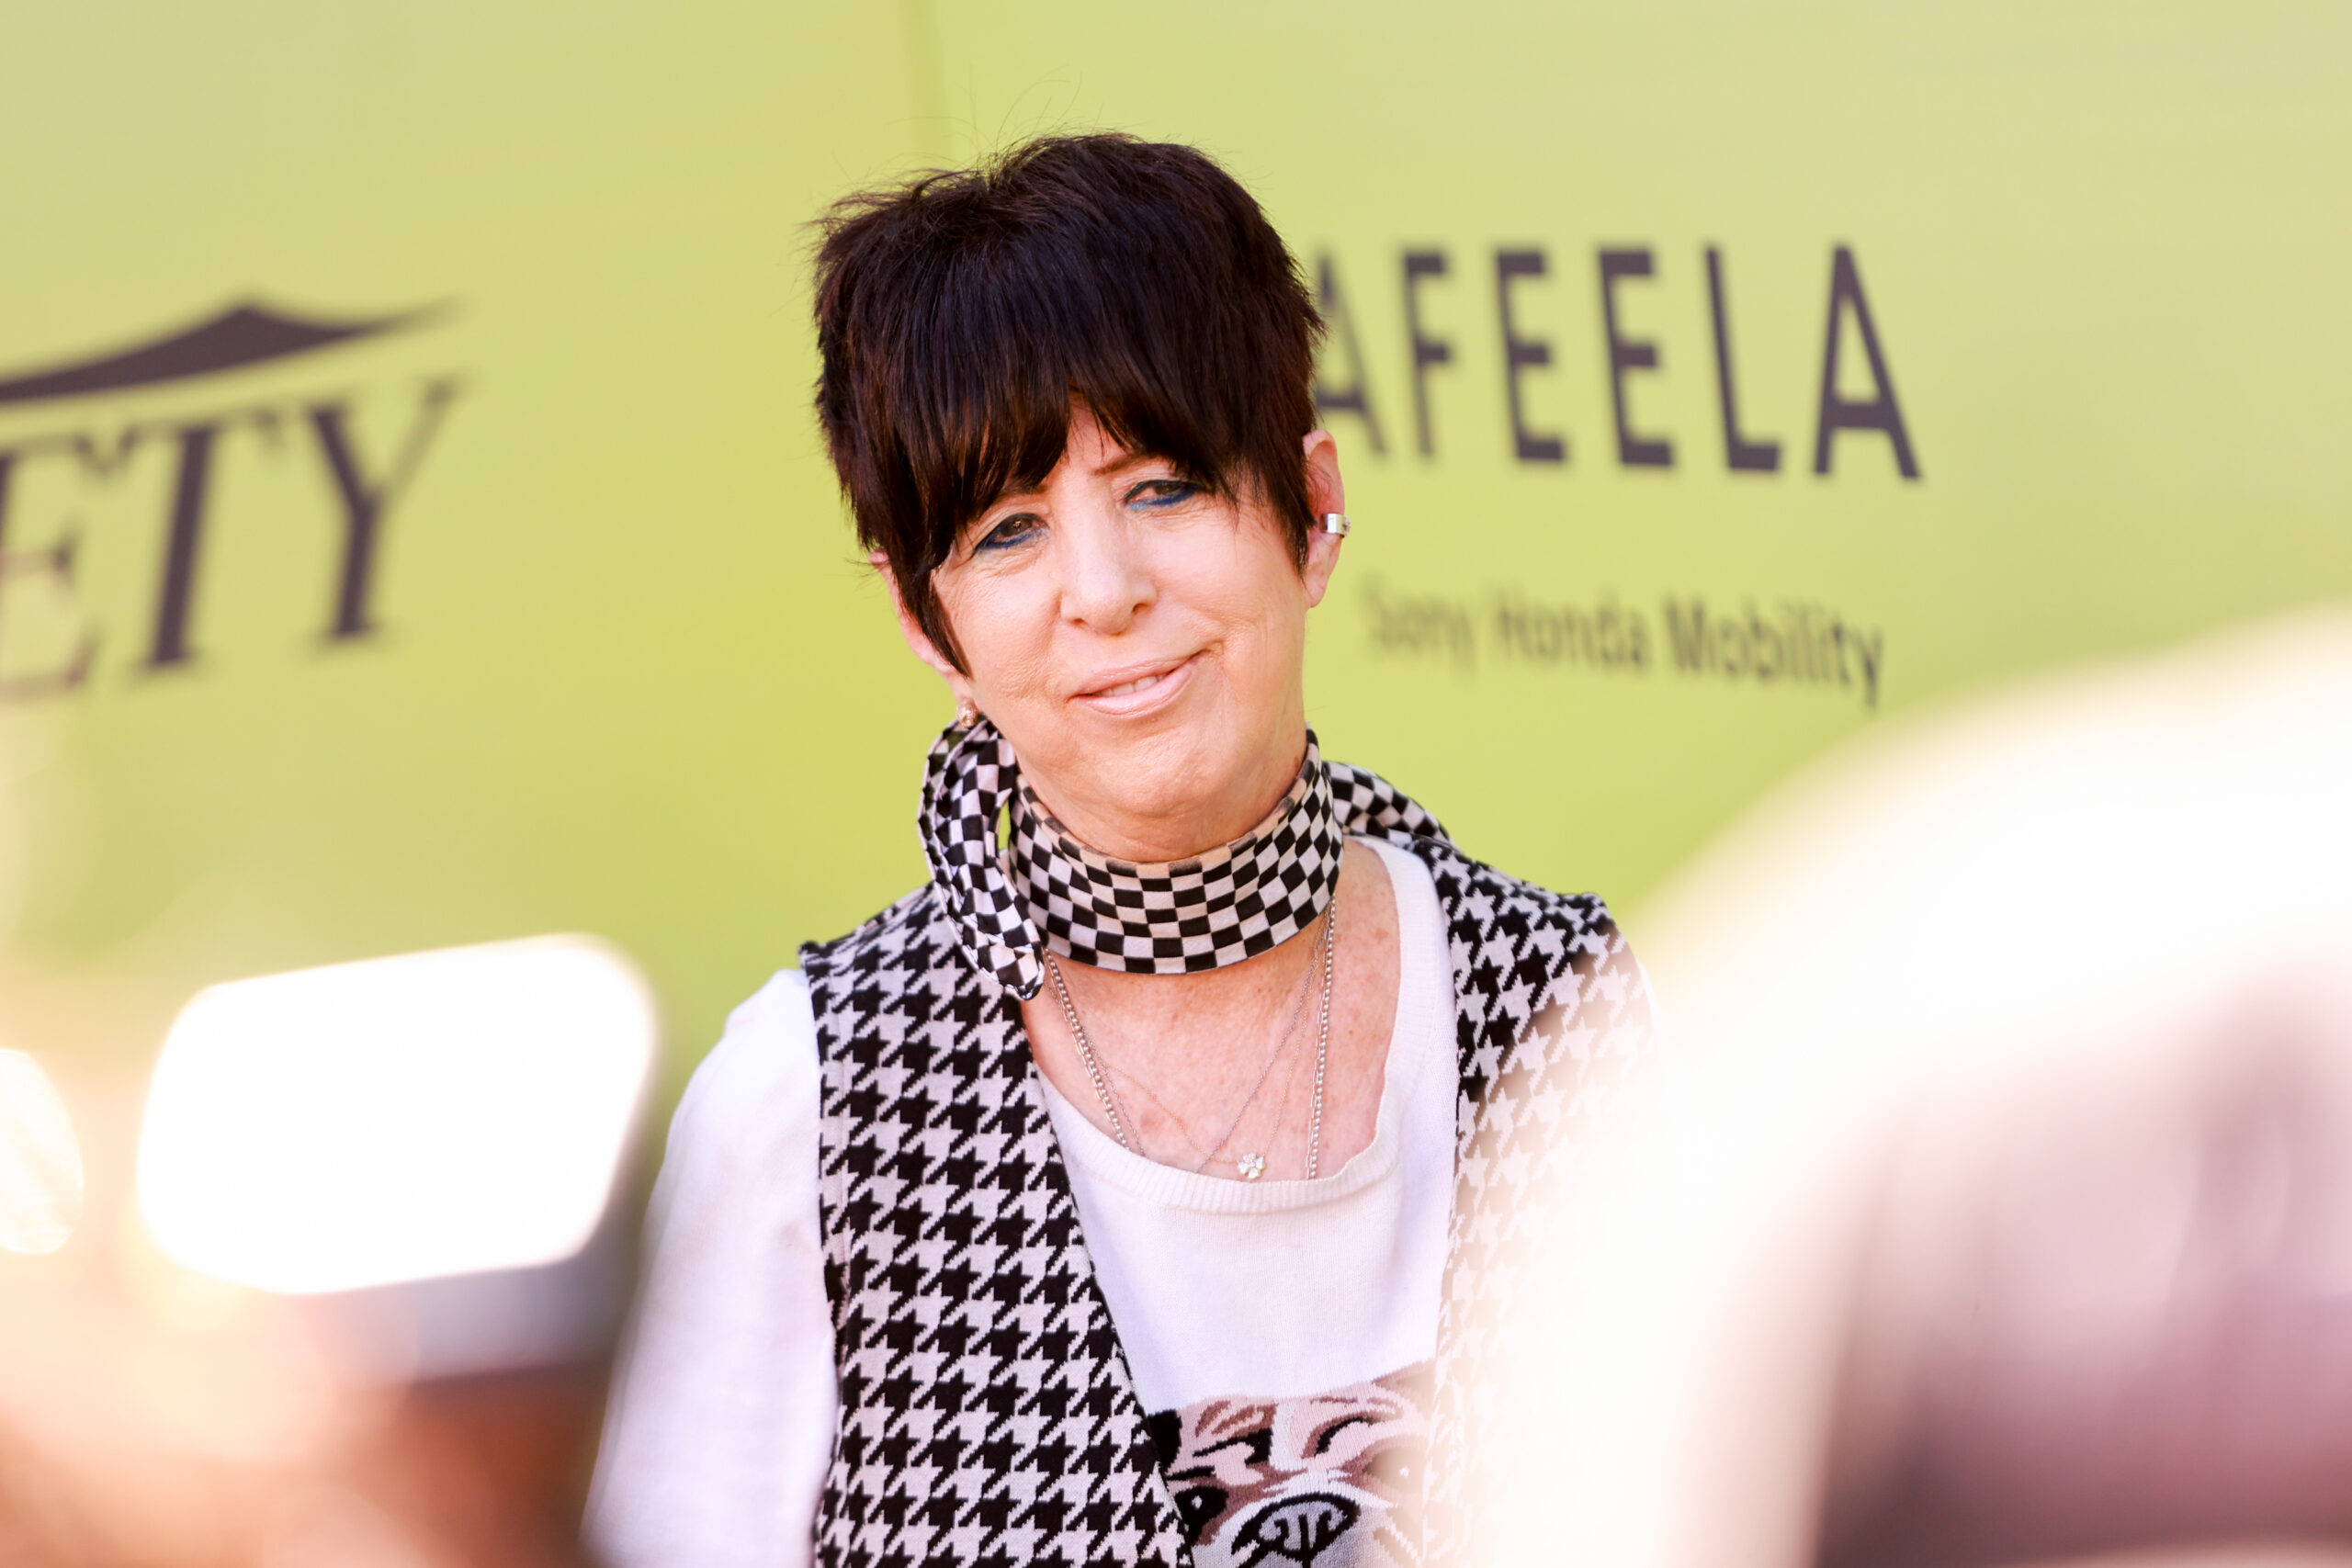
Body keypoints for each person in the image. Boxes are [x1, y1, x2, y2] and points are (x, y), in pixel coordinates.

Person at [584, 133, 1657, 1568]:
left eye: (1162, 488)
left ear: (1312, 507)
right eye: (1010, 531)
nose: (1104, 591)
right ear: (928, 624)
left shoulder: (1560, 1010)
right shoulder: (813, 1109)